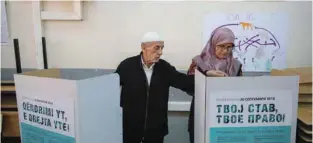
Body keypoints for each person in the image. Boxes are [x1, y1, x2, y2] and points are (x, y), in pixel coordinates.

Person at [115, 32, 196, 143]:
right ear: (143, 47)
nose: (160, 53)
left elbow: (183, 81)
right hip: (130, 129)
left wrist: (206, 77)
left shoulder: (164, 68)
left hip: (156, 131)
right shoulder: (127, 66)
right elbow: (110, 88)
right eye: (156, 48)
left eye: (162, 48)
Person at [186, 27, 243, 143]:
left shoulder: (236, 65)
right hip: (201, 113)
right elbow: (188, 85)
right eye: (221, 46)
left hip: (225, 116)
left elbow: (240, 90)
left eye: (229, 47)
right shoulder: (199, 63)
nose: (225, 51)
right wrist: (206, 75)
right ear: (213, 44)